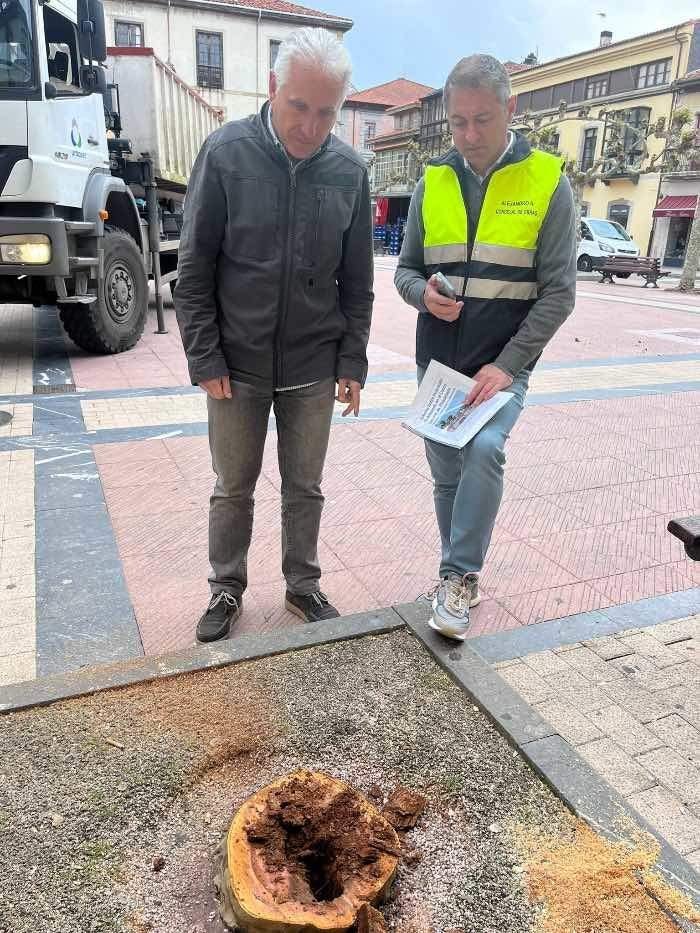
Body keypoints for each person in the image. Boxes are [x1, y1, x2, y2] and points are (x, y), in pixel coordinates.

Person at [175, 28, 373, 643]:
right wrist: (204, 354)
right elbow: (194, 268)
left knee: (305, 486)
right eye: (298, 107)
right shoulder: (225, 152)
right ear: (272, 89)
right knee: (233, 486)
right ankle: (225, 587)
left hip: (314, 362)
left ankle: (302, 583)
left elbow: (358, 280)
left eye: (326, 112)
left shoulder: (348, 171)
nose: (311, 126)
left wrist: (353, 361)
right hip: (235, 364)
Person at [395, 54, 576, 641]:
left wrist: (507, 365)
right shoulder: (434, 181)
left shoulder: (549, 182)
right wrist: (425, 295)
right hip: (439, 368)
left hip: (501, 369)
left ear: (511, 109)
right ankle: (459, 579)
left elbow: (559, 294)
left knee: (485, 449)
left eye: (482, 120)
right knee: (445, 472)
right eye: (457, 123)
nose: (469, 136)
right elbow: (405, 270)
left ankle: (457, 574)